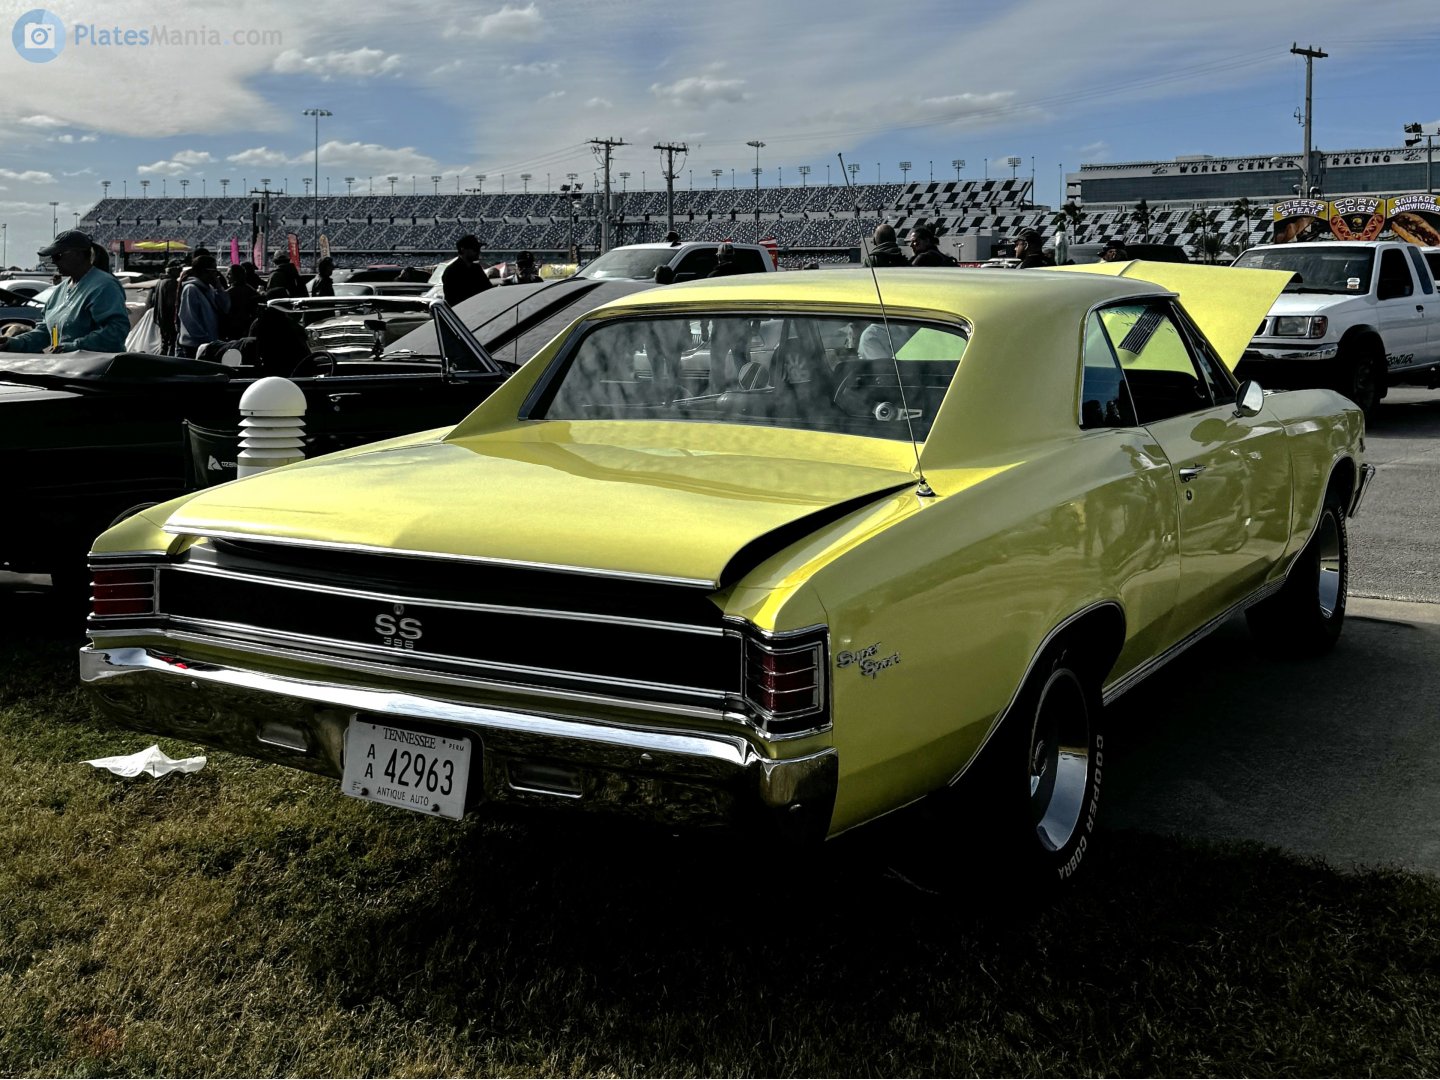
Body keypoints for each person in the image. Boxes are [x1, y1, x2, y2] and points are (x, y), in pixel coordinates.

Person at [0, 230, 129, 354]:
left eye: (58, 256)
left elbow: (116, 331)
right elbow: (46, 332)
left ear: (78, 254)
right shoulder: (59, 291)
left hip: (97, 372)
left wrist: (76, 347)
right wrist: (12, 343)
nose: (53, 262)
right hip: (65, 369)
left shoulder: (104, 286)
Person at [176, 254, 231, 358]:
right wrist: (204, 339)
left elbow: (225, 307)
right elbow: (189, 319)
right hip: (195, 346)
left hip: (208, 343)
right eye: (213, 270)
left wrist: (219, 288)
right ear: (204, 271)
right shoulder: (191, 289)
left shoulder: (209, 288)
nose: (216, 274)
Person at [442, 234, 493, 307]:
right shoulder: (451, 272)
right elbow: (452, 300)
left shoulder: (477, 268)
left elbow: (488, 289)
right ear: (463, 249)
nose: (478, 252)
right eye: (475, 249)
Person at [146, 259, 182, 354]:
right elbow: (172, 304)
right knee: (171, 344)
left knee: (164, 343)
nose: (180, 272)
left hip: (161, 319)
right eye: (179, 269)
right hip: (169, 319)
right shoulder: (171, 283)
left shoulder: (160, 282)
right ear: (173, 270)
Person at [222, 263, 259, 340]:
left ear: (236, 276)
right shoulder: (251, 289)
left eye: (229, 274)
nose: (226, 276)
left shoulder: (229, 293)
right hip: (247, 326)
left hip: (233, 327)